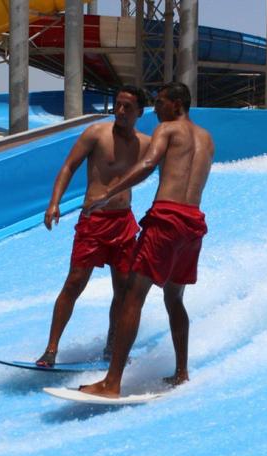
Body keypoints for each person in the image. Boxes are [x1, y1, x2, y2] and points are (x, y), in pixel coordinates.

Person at [79, 82, 215, 397]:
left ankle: (111, 383)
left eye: (160, 102)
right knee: (174, 298)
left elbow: (147, 164)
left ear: (176, 104)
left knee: (132, 295)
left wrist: (107, 193)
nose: (155, 109)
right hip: (193, 223)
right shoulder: (207, 139)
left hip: (166, 219)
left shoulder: (167, 129)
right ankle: (181, 372)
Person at [35, 85, 150, 367]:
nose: (120, 111)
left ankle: (112, 347)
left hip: (124, 222)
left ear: (139, 112)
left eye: (127, 107)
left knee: (123, 289)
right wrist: (54, 203)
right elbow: (68, 167)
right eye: (118, 105)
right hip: (94, 222)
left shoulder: (146, 143)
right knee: (75, 282)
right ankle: (51, 350)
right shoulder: (96, 134)